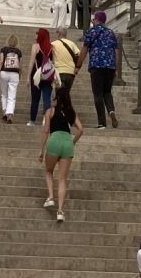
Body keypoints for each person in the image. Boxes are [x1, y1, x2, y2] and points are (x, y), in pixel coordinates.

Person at [38, 82, 82, 222]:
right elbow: (80, 129)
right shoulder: (71, 113)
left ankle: (51, 197)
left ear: (56, 97)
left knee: (49, 171)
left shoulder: (50, 111)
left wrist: (41, 149)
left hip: (54, 141)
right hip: (67, 143)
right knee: (62, 179)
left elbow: (46, 131)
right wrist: (73, 142)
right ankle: (60, 211)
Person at [82, 10, 120, 128]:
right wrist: (116, 68)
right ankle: (111, 111)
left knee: (98, 94)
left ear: (96, 20)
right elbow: (116, 52)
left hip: (96, 66)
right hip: (110, 67)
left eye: (93, 19)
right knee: (107, 92)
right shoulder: (111, 33)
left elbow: (84, 49)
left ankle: (102, 123)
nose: (92, 21)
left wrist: (78, 65)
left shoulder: (92, 32)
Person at [26, 28, 54, 125]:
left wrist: (28, 77)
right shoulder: (52, 47)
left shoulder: (35, 46)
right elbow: (54, 62)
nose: (36, 36)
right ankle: (46, 120)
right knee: (47, 98)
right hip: (48, 75)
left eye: (37, 34)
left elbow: (31, 62)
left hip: (36, 75)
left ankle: (32, 120)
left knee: (35, 99)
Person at [0, 34, 22, 123]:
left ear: (8, 41)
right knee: (12, 96)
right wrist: (20, 75)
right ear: (16, 42)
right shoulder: (18, 52)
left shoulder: (3, 49)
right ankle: (10, 115)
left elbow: (1, 62)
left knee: (4, 94)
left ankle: (4, 113)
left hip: (4, 72)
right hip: (15, 74)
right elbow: (20, 65)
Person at [50, 27, 82, 92]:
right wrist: (77, 67)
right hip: (70, 72)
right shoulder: (72, 43)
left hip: (58, 71)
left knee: (59, 93)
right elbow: (79, 55)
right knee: (66, 92)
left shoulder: (53, 44)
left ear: (59, 34)